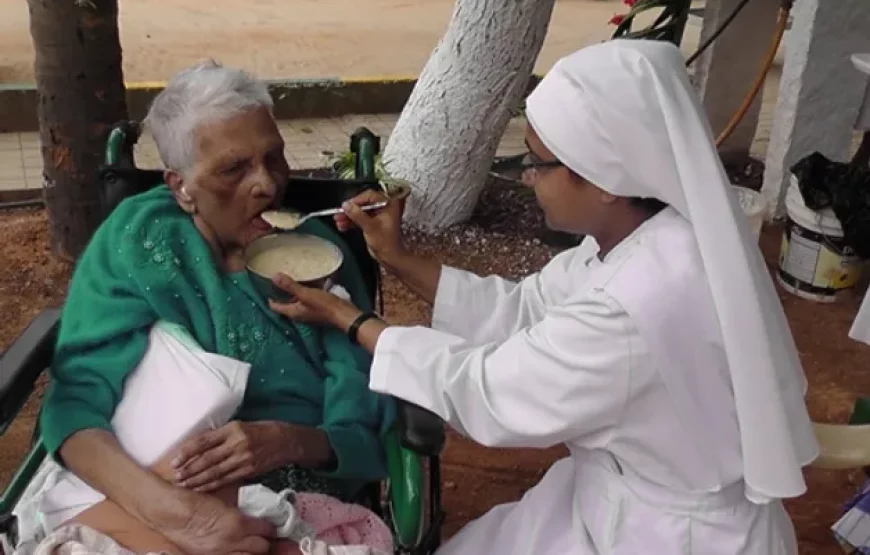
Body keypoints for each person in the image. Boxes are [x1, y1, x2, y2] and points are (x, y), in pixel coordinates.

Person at [269, 39, 820, 554]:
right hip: (617, 493)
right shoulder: (650, 234)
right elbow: (525, 310)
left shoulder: (634, 305)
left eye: (537, 161)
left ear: (606, 178)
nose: (527, 177)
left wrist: (348, 317)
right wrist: (395, 256)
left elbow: (490, 392)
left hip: (668, 534)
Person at [36, 60, 393, 555]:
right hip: (146, 481)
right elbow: (75, 402)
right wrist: (176, 513)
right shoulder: (137, 240)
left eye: (275, 159)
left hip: (295, 486)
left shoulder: (318, 257)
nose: (267, 185)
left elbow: (364, 418)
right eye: (234, 169)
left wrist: (287, 440)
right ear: (180, 186)